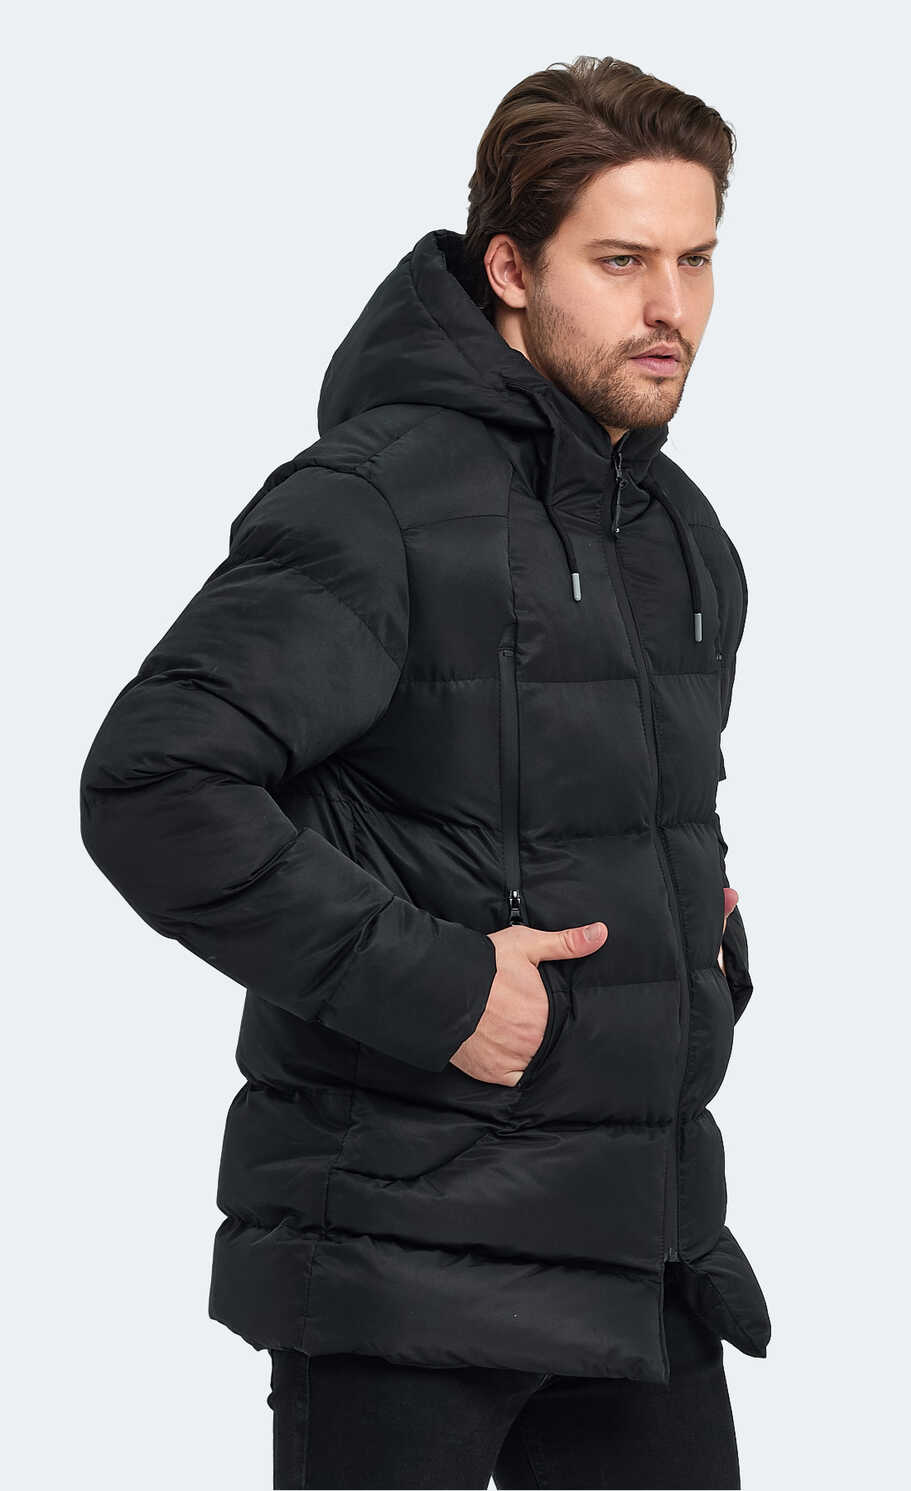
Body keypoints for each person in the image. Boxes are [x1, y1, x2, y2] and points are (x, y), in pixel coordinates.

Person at [79, 53, 770, 1491]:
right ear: (509, 268)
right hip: (403, 1264)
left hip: (640, 1251)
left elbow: (570, 803)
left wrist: (700, 941)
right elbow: (155, 784)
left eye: (696, 259)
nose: (670, 308)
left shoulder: (674, 530)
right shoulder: (380, 499)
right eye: (622, 261)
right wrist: (443, 988)